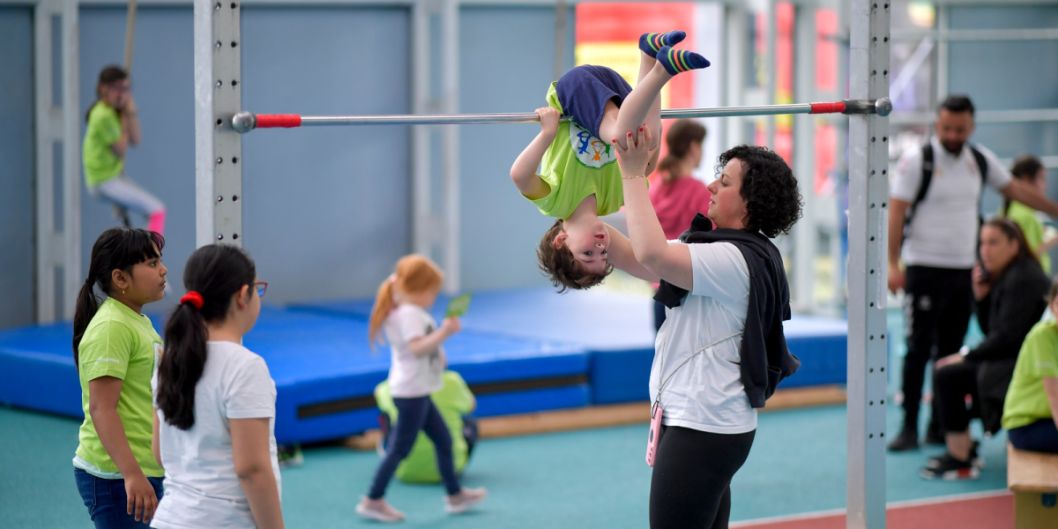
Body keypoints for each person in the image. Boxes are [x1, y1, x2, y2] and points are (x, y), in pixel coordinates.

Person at [615, 128, 803, 528]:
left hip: (702, 428)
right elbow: (643, 259)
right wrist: (589, 235)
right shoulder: (726, 249)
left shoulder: (733, 258)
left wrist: (632, 174)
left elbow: (652, 253)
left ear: (749, 205)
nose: (712, 185)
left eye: (726, 181)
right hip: (705, 425)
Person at [887, 94, 1058, 452]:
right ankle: (908, 427)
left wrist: (1055, 211)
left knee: (948, 347)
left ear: (971, 127)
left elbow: (1016, 190)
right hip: (923, 266)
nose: (953, 134)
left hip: (963, 268)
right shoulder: (918, 161)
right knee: (918, 348)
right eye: (947, 128)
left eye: (960, 129)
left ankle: (938, 426)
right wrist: (892, 262)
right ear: (937, 125)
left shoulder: (979, 160)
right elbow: (897, 211)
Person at [510, 31, 710, 291]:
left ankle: (663, 71)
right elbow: (640, 161)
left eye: (588, 254)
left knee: (621, 137)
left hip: (575, 91)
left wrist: (547, 134)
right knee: (644, 154)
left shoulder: (554, 202)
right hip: (617, 93)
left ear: (561, 239)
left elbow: (520, 176)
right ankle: (649, 55)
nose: (601, 248)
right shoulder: (614, 200)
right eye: (603, 255)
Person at [151, 245, 284, 528]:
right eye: (257, 288)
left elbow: (159, 453)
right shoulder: (246, 367)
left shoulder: (170, 361)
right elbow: (252, 469)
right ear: (242, 296)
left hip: (170, 518)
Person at [357, 255, 486, 523]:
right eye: (433, 292)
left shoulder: (402, 312)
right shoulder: (410, 315)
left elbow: (421, 348)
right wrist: (445, 332)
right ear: (420, 290)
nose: (433, 298)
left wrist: (439, 349)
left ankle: (455, 495)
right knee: (399, 450)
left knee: (444, 440)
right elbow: (416, 349)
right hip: (411, 393)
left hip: (417, 390)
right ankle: (372, 499)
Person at [921, 219, 1049, 479]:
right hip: (1015, 361)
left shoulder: (1022, 278)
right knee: (950, 370)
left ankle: (961, 456)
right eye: (982, 243)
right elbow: (995, 330)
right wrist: (981, 298)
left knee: (949, 373)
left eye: (993, 243)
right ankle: (963, 448)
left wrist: (967, 354)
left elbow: (1006, 339)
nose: (985, 250)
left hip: (1029, 369)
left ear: (1014, 245)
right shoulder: (1011, 274)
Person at [72, 227, 167, 528]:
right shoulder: (112, 327)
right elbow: (102, 408)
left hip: (141, 468)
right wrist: (132, 474)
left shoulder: (136, 319)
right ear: (121, 278)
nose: (163, 270)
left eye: (159, 261)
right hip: (116, 477)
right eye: (152, 264)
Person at [83, 65, 166, 235]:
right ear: (102, 89)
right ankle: (151, 253)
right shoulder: (102, 115)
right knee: (156, 210)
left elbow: (135, 140)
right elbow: (120, 149)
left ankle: (143, 250)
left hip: (113, 176)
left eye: (126, 88)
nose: (121, 94)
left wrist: (130, 112)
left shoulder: (112, 111)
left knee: (135, 222)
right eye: (116, 88)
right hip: (104, 181)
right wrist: (124, 114)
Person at [649, 119, 712, 331]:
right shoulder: (699, 192)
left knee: (664, 359)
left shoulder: (656, 189)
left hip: (660, 289)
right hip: (690, 291)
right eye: (701, 146)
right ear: (694, 147)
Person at [374, 370, 478, 483]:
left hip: (404, 471)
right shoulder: (451, 381)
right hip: (453, 468)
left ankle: (392, 456)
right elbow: (471, 406)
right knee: (468, 422)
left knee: (388, 417)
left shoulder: (390, 386)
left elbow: (378, 394)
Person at [1002, 278, 1058, 454]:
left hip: (1048, 419)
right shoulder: (1042, 336)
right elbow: (1055, 399)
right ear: (1051, 306)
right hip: (1027, 425)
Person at [1001, 155, 1055, 274]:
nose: (1044, 186)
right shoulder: (1024, 214)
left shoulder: (1010, 209)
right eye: (1041, 179)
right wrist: (1052, 240)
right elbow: (1027, 255)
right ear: (1025, 180)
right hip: (1030, 280)